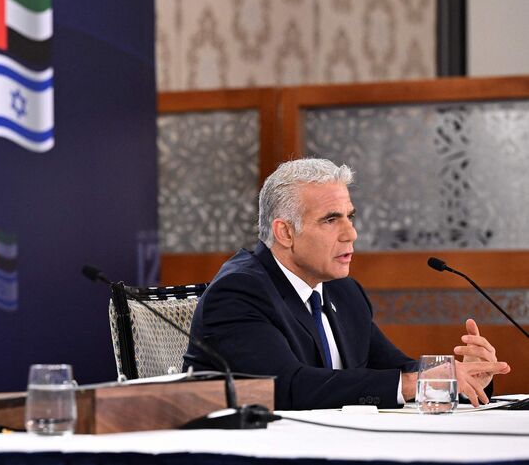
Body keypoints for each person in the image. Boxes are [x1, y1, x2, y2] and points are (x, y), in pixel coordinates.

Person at [183, 158, 510, 410]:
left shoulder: (343, 290)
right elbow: (287, 388)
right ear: (285, 233)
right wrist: (413, 383)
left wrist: (460, 377)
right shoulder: (238, 292)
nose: (350, 233)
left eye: (349, 217)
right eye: (330, 219)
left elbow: (398, 368)